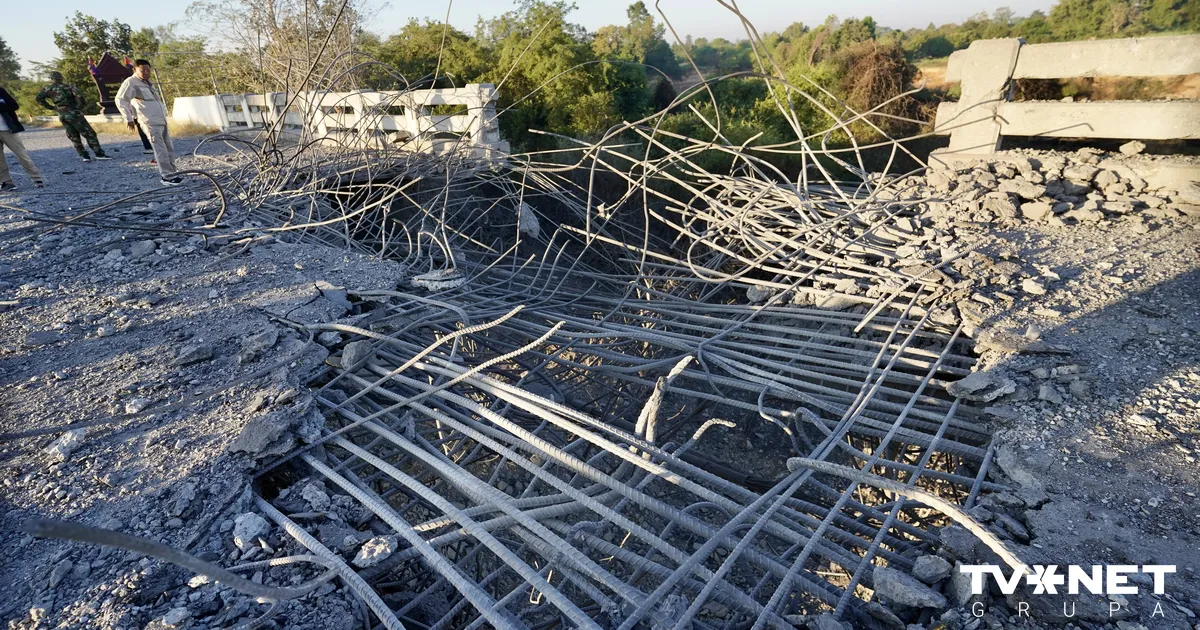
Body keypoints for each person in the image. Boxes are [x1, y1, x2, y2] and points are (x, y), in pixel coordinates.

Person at [116, 60, 180, 186]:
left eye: (148, 70)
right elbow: (121, 99)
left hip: (161, 120)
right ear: (135, 70)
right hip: (149, 121)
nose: (146, 72)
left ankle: (173, 172)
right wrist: (128, 118)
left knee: (169, 148)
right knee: (160, 149)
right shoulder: (131, 82)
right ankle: (166, 176)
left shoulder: (148, 83)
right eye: (142, 70)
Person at [35, 71, 112, 163]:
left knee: (73, 135)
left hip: (61, 113)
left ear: (51, 79)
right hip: (73, 111)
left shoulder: (47, 89)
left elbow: (39, 98)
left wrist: (51, 107)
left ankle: (84, 156)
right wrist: (79, 106)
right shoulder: (69, 86)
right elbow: (80, 96)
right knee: (89, 133)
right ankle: (99, 154)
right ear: (61, 78)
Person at [0, 85, 45, 191]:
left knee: (22, 155)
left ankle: (37, 179)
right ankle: (6, 182)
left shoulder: (1, 91)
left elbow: (14, 105)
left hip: (7, 129)